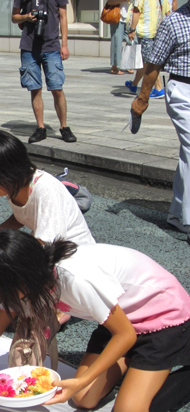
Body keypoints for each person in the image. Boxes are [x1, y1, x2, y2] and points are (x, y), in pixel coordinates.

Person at [0, 229, 190, 412]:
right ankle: (133, 363)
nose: (2, 302)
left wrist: (82, 379)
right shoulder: (32, 275)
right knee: (83, 399)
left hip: (162, 320)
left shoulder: (75, 278)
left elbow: (126, 334)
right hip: (118, 321)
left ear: (18, 279)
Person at [0, 130, 95, 248]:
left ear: (9, 172)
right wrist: (1, 228)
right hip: (47, 249)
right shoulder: (14, 184)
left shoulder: (45, 190)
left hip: (73, 255)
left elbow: (47, 243)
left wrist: (1, 247)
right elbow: (24, 214)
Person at [131, 2, 190, 241]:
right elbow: (154, 63)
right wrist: (142, 99)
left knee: (188, 152)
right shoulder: (173, 21)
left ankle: (177, 213)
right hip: (182, 90)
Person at [12, 0, 77, 144]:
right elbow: (14, 17)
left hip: (52, 47)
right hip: (29, 47)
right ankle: (40, 128)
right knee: (35, 89)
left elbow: (63, 16)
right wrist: (26, 17)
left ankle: (64, 127)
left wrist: (64, 44)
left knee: (57, 88)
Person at [125, 0, 169, 98]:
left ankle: (158, 88)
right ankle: (134, 84)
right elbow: (167, 11)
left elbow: (137, 11)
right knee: (146, 61)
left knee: (150, 61)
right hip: (159, 31)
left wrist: (132, 29)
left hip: (146, 32)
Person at [108, 0, 130, 75]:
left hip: (130, 17)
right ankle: (115, 66)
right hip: (118, 16)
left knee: (132, 41)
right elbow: (109, 2)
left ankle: (129, 64)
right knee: (116, 41)